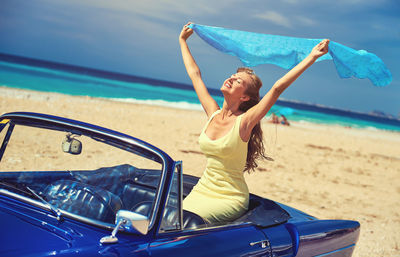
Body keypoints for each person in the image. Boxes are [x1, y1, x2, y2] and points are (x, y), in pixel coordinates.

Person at [179, 22, 329, 224]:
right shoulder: (213, 114)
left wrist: (311, 57)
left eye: (238, 81)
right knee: (171, 222)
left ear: (245, 98)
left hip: (228, 198)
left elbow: (276, 88)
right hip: (202, 189)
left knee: (187, 223)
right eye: (232, 76)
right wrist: (182, 41)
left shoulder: (244, 123)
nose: (231, 79)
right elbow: (195, 74)